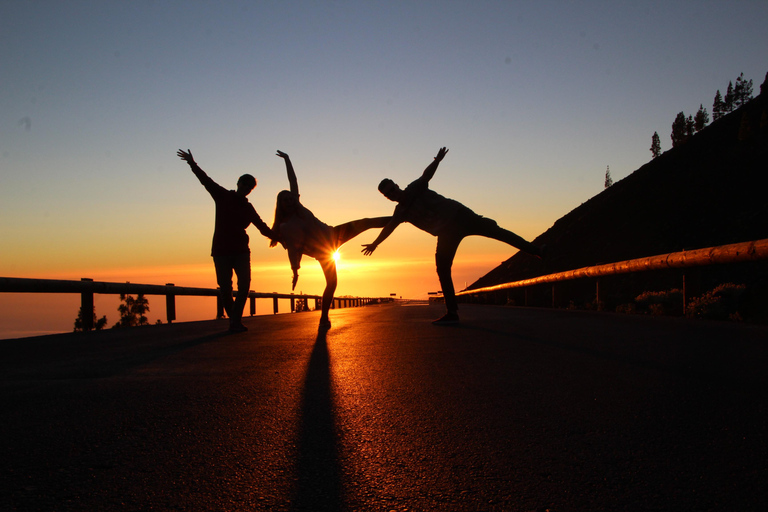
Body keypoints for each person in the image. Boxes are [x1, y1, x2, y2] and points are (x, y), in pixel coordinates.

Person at [361, 147, 544, 325]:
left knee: (497, 232)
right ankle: (452, 312)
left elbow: (426, 175)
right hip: (446, 233)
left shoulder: (414, 188)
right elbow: (389, 228)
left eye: (392, 189)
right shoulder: (400, 212)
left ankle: (536, 251)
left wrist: (437, 161)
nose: (392, 194)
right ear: (387, 198)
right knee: (442, 268)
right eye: (388, 194)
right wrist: (375, 244)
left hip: (460, 216)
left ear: (396, 185)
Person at [271, 150, 391, 330]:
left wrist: (287, 160)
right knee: (332, 283)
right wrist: (295, 271)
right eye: (285, 200)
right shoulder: (285, 226)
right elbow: (293, 250)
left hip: (334, 234)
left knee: (366, 222)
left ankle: (400, 217)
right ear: (280, 204)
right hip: (323, 251)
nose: (289, 200)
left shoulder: (299, 208)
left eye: (290, 198)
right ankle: (324, 317)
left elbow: (293, 182)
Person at [177, 149, 275, 333]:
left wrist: (281, 238)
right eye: (244, 184)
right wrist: (192, 163)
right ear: (238, 183)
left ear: (251, 190)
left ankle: (234, 321)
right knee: (225, 288)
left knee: (244, 284)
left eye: (249, 187)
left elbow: (262, 227)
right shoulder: (223, 196)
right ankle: (234, 320)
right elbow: (206, 181)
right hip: (221, 250)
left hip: (241, 251)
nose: (246, 188)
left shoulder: (248, 207)